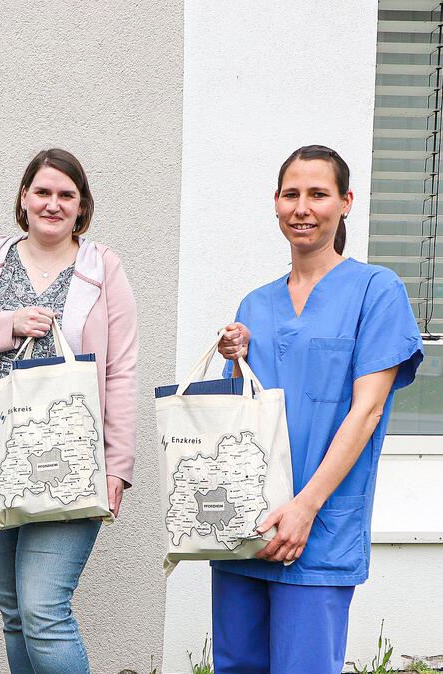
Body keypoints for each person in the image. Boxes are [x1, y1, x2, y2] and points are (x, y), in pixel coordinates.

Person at [0, 148, 138, 673]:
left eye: (66, 195)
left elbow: (122, 372)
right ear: (23, 198)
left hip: (71, 466)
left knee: (45, 611)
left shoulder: (102, 268)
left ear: (82, 206)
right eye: (42, 192)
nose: (53, 204)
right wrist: (7, 325)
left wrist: (117, 468)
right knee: (15, 613)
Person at [214, 145, 424, 673]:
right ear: (276, 204)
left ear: (346, 202)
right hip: (249, 526)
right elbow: (240, 422)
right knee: (236, 666)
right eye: (291, 194)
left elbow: (367, 413)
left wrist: (305, 507)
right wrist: (235, 359)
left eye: (318, 194)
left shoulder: (377, 291)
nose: (302, 207)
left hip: (321, 526)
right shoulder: (255, 305)